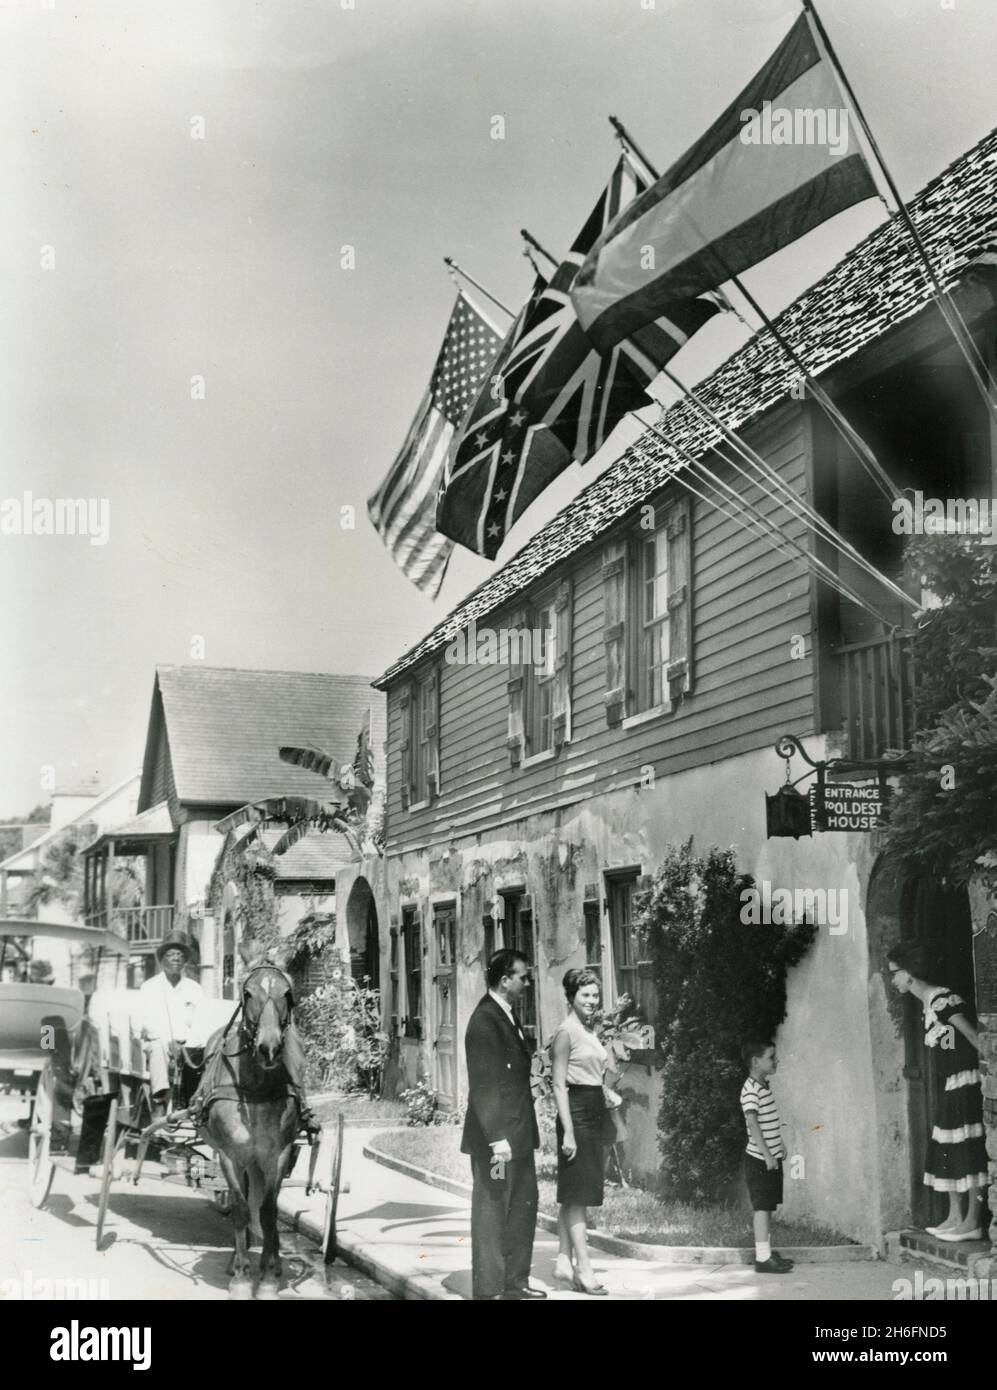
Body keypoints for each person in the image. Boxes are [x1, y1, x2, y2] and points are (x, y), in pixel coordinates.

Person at [887, 941, 989, 1240]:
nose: (892, 979)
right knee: (948, 1148)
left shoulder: (944, 1000)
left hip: (965, 1081)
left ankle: (972, 1221)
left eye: (895, 973)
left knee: (966, 1148)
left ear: (910, 975)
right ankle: (954, 1216)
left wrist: (986, 1072)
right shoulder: (928, 1005)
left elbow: (972, 1037)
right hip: (949, 1085)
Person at [460, 948, 545, 1301]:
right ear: (504, 979)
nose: (527, 983)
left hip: (519, 1138)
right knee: (493, 1210)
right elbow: (484, 1085)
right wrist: (497, 1139)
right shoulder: (484, 1021)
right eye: (523, 977)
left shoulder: (507, 1016)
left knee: (523, 1207)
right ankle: (491, 1290)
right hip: (498, 1144)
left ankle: (515, 1283)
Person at [551, 967, 609, 1294]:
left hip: (592, 1108)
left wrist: (605, 1091)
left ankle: (563, 1260)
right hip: (576, 1114)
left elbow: (590, 1072)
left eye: (595, 995)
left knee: (575, 1190)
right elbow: (559, 1085)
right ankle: (584, 1269)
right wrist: (569, 1132)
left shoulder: (587, 1029)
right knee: (578, 1195)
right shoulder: (566, 1032)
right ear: (571, 997)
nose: (591, 1000)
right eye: (585, 995)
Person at [740, 1040, 795, 1274]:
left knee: (768, 1206)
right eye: (771, 1057)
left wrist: (779, 1144)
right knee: (762, 1208)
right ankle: (763, 1258)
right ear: (755, 1062)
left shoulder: (763, 1086)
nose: (776, 1060)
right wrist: (767, 1155)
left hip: (769, 1158)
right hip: (759, 1160)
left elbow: (768, 1121)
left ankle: (767, 1252)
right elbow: (752, 1124)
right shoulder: (750, 1090)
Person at [139, 932, 204, 1116]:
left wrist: (186, 1043)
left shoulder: (195, 989)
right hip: (159, 1042)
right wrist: (169, 1041)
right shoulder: (149, 987)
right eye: (170, 954)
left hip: (188, 1045)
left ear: (185, 961)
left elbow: (200, 1022)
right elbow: (146, 1022)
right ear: (162, 960)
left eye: (180, 955)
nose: (176, 958)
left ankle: (199, 1103)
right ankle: (160, 1100)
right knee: (158, 1048)